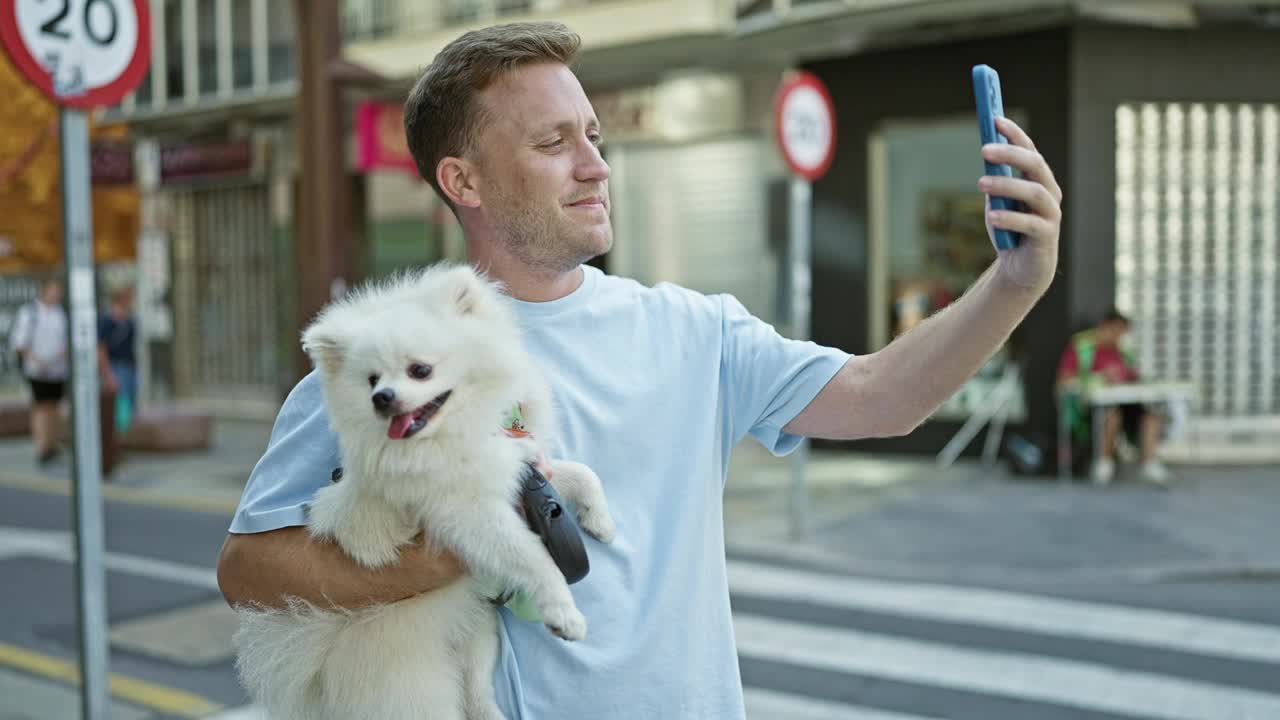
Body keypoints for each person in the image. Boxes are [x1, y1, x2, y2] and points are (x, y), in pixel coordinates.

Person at [216, 22, 1063, 718]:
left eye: (594, 136)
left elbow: (884, 397)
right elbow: (249, 569)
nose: (595, 164)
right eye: (554, 143)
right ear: (460, 179)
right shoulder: (381, 363)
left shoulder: (694, 330)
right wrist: (447, 558)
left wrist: (1015, 283)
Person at [1057, 308, 1168, 485]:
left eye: (1122, 333)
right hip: (1090, 407)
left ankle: (1150, 465)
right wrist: (1101, 377)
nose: (1118, 337)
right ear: (1104, 326)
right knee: (1111, 415)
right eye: (1115, 331)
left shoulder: (1122, 351)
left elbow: (1135, 377)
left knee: (1151, 416)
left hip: (1127, 404)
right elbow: (1063, 381)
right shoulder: (1082, 346)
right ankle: (1104, 464)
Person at [9, 278, 69, 464]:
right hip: (38, 369)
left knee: (55, 406)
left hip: (58, 369)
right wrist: (37, 361)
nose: (56, 295)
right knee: (42, 406)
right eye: (53, 291)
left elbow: (66, 340)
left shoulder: (61, 313)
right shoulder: (30, 312)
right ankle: (42, 445)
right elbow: (20, 343)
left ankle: (52, 443)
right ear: (44, 291)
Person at [98, 286, 138, 432]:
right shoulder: (107, 321)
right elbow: (101, 349)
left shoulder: (129, 319)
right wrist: (108, 374)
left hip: (130, 366)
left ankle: (125, 435)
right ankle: (118, 438)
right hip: (116, 366)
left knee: (129, 402)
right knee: (120, 404)